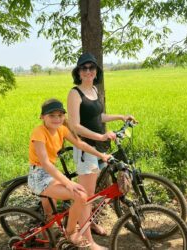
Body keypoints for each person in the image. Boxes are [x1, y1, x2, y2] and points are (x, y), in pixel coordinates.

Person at [67, 53, 134, 250]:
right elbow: (75, 126)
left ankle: (89, 224)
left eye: (92, 68)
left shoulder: (95, 90)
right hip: (86, 150)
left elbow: (99, 116)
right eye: (84, 68)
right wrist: (101, 137)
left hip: (100, 150)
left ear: (96, 71)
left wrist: (121, 117)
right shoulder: (75, 93)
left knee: (94, 193)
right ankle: (88, 242)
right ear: (78, 72)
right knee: (85, 197)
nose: (88, 71)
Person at [27, 98, 111, 247]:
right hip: (39, 175)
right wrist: (68, 182)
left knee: (50, 215)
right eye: (51, 115)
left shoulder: (62, 130)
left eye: (60, 115)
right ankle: (71, 233)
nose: (56, 119)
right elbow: (45, 163)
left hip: (51, 173)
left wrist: (102, 155)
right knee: (80, 195)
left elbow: (80, 144)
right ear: (42, 117)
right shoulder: (38, 132)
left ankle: (48, 242)